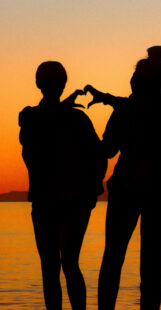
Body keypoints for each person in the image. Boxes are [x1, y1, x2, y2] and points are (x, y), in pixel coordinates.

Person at [86, 45, 161, 310]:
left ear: (141, 80)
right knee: (151, 268)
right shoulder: (156, 107)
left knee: (114, 260)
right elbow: (110, 147)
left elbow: (107, 149)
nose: (132, 80)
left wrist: (106, 102)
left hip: (128, 189)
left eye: (135, 76)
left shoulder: (147, 107)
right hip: (156, 191)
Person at [19, 61, 107, 310]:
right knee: (69, 263)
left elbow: (33, 126)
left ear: (38, 84)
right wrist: (92, 190)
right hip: (75, 202)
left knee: (51, 267)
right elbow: (99, 157)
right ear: (64, 84)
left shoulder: (31, 118)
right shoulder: (76, 119)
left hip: (49, 202)